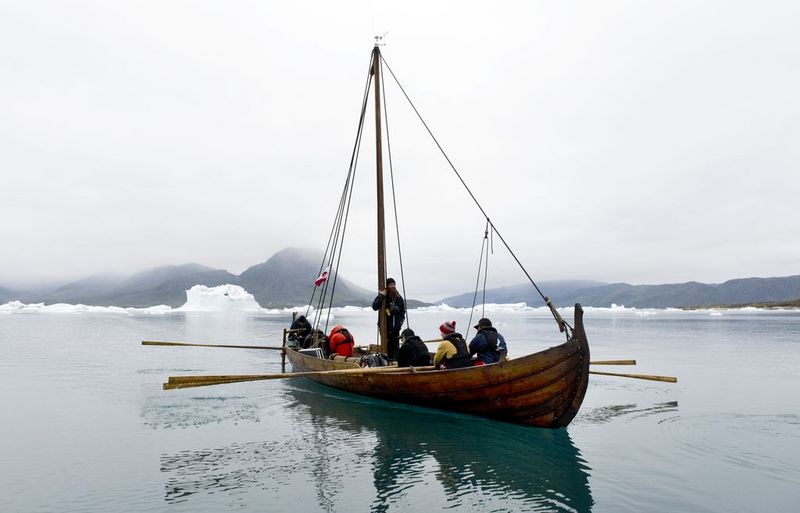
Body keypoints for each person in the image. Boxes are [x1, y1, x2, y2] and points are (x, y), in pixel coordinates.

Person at [371, 277, 405, 360]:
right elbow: (374, 306)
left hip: (395, 329)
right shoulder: (384, 297)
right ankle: (386, 362)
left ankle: (396, 363)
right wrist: (381, 296)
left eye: (394, 284)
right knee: (386, 348)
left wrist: (400, 322)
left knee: (395, 348)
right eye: (390, 285)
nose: (393, 286)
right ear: (387, 286)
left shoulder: (399, 298)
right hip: (385, 328)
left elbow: (402, 312)